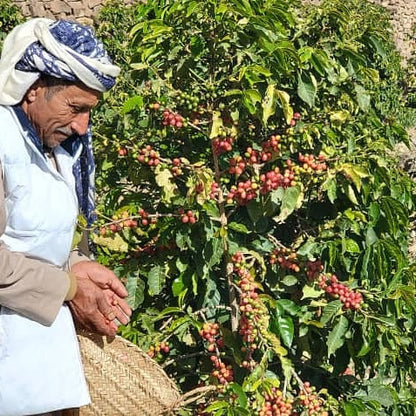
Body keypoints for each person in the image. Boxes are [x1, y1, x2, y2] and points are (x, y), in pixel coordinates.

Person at [0, 18, 132, 415]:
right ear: (34, 88)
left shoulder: (51, 148)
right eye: (75, 108)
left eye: (89, 112)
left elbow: (28, 238)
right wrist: (70, 288)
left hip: (40, 369)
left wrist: (77, 264)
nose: (82, 125)